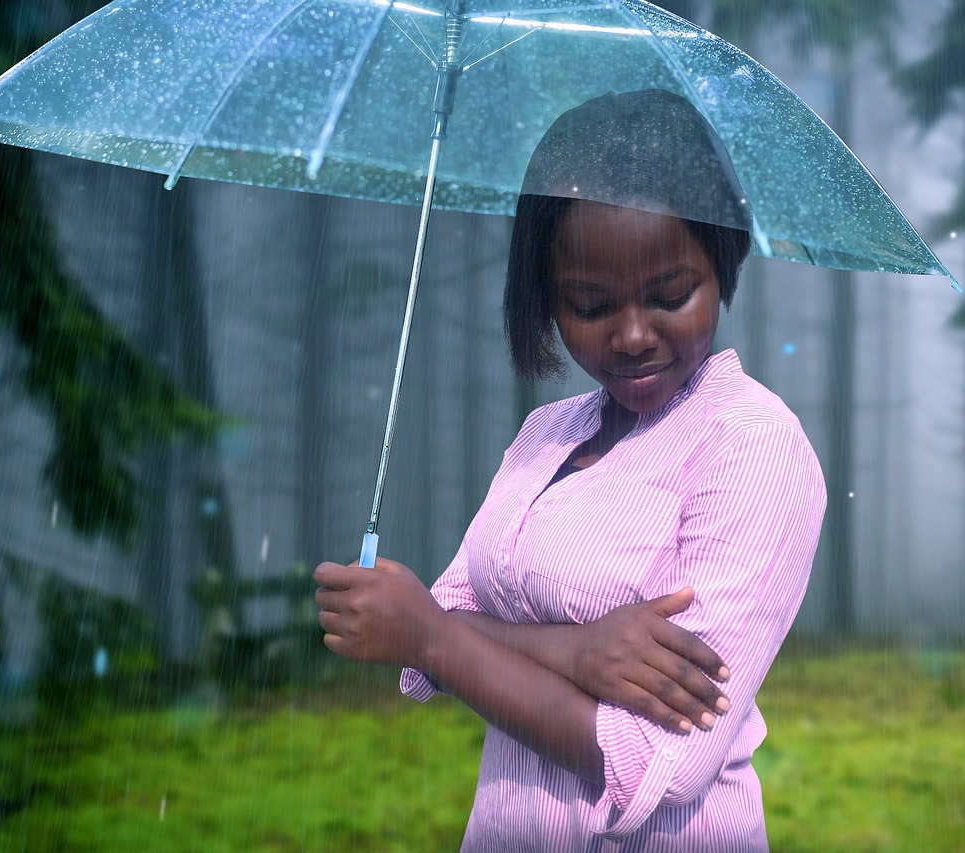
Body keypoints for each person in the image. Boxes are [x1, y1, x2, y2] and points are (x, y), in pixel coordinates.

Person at [313, 89, 826, 851]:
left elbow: (654, 758)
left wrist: (438, 642)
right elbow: (448, 605)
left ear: (723, 266)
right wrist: (576, 652)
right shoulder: (544, 434)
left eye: (670, 295)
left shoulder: (751, 446)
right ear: (546, 297)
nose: (630, 336)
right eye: (588, 303)